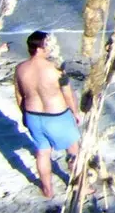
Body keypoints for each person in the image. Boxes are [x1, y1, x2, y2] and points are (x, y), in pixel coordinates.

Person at [13, 31, 81, 200]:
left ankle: (47, 189)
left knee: (42, 153)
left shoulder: (20, 69)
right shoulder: (55, 69)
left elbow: (19, 95)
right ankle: (81, 186)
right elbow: (67, 93)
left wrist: (24, 115)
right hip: (56, 115)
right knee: (73, 150)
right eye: (48, 45)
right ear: (40, 48)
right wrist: (75, 111)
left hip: (33, 115)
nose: (51, 49)